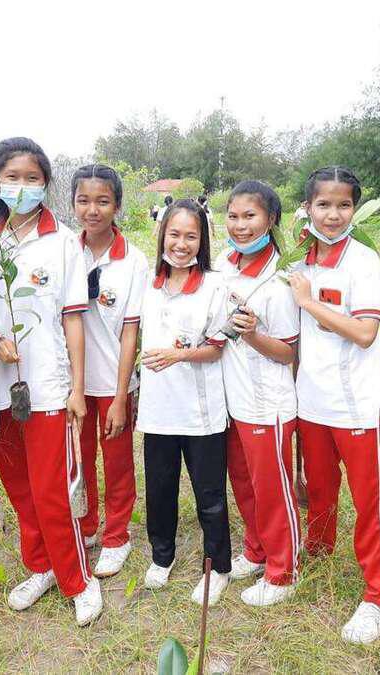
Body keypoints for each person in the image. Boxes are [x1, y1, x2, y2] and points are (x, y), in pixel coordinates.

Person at [0, 137, 102, 626]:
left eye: (32, 178)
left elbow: (73, 318)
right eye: (12, 177)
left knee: (51, 488)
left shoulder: (63, 242)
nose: (22, 186)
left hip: (48, 384)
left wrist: (77, 387)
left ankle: (78, 579)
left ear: (46, 184)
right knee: (18, 486)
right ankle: (40, 566)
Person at [287, 166, 380, 644]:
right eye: (323, 205)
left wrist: (310, 303)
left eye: (343, 205)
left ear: (355, 209)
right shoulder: (301, 262)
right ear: (307, 208)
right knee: (319, 490)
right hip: (312, 403)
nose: (333, 215)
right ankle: (317, 556)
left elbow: (364, 332)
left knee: (370, 502)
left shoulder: (363, 261)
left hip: (358, 406)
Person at [137, 199, 232, 606]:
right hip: (158, 410)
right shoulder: (149, 284)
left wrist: (178, 355)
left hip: (201, 413)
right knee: (159, 490)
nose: (181, 244)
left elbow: (217, 348)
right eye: (174, 234)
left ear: (202, 241)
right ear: (162, 235)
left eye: (191, 236)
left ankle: (219, 567)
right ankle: (162, 556)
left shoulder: (214, 286)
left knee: (209, 496)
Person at [216, 180, 301, 606]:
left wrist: (252, 335)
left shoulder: (281, 280)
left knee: (271, 489)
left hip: (268, 403)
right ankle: (256, 549)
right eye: (233, 216)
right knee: (244, 482)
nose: (240, 225)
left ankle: (283, 571)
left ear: (271, 219)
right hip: (233, 399)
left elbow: (288, 353)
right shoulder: (222, 264)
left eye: (250, 216)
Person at [72, 164, 148, 577]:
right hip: (73, 383)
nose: (92, 210)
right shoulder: (66, 252)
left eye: (102, 201)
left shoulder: (133, 261)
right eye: (83, 200)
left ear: (117, 205)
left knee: (117, 462)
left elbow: (130, 333)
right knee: (79, 459)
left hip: (114, 382)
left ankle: (117, 535)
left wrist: (121, 396)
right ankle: (86, 526)